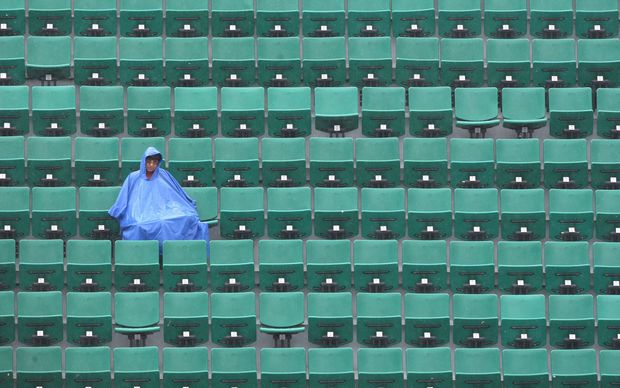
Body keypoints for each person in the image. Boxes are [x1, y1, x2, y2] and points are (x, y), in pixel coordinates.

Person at [109, 147, 210, 251]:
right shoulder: (133, 177)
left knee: (168, 221)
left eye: (154, 162)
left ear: (158, 163)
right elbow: (124, 198)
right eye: (148, 162)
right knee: (139, 225)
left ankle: (170, 252)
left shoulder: (164, 175)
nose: (151, 165)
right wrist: (118, 210)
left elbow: (176, 193)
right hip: (139, 213)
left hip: (165, 211)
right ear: (144, 161)